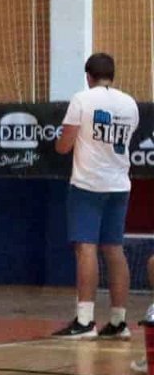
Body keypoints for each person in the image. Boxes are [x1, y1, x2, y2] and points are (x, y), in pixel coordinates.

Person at [51, 52, 139, 340]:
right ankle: (118, 321)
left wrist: (60, 141)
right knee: (114, 249)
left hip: (88, 185)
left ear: (88, 76)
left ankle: (86, 320)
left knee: (85, 248)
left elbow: (64, 146)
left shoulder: (82, 100)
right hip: (119, 184)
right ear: (112, 74)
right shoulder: (129, 103)